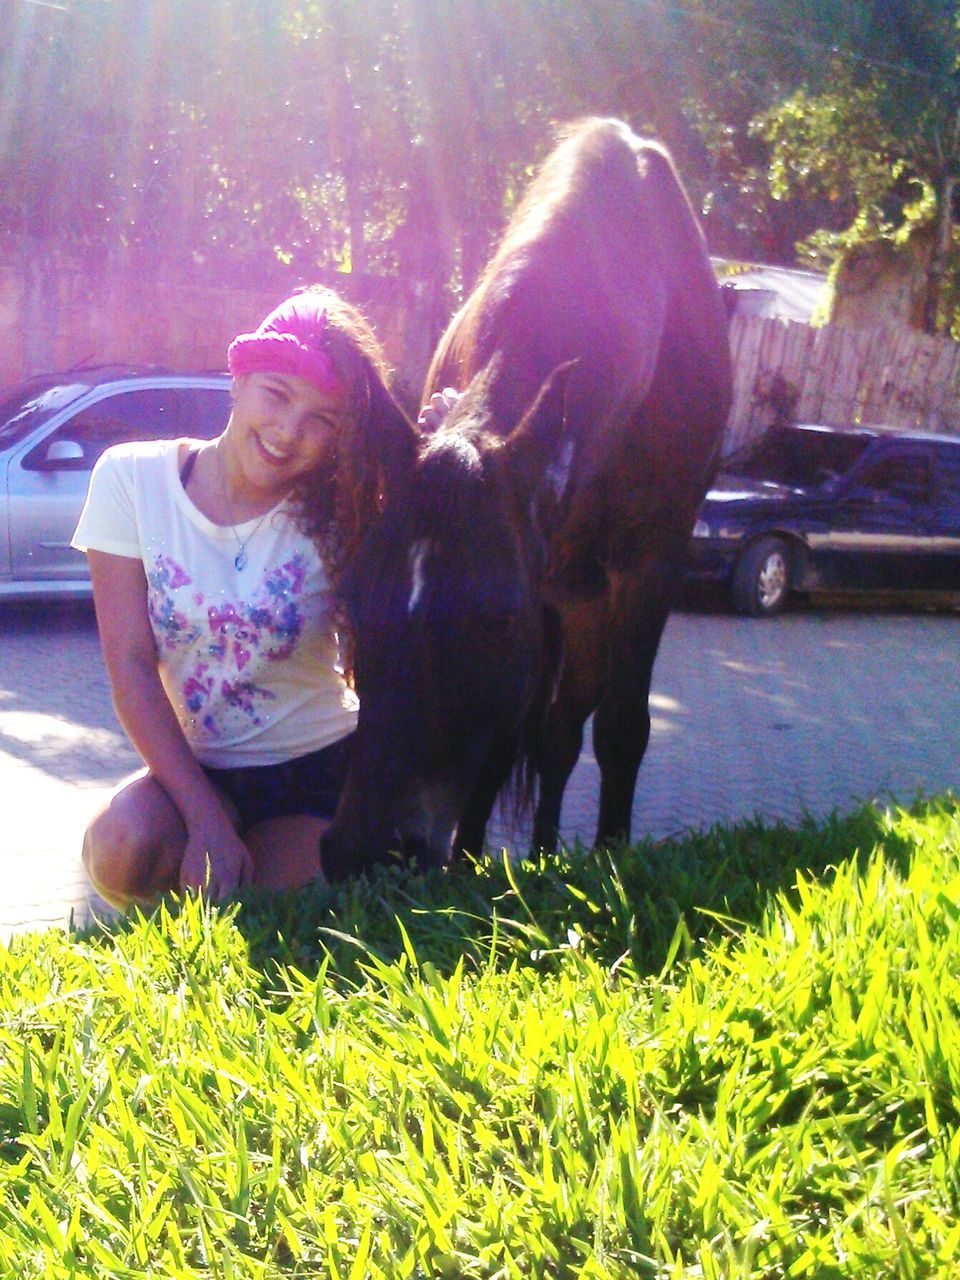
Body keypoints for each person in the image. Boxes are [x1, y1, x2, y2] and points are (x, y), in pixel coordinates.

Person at [74, 286, 417, 908]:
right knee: (122, 848)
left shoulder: (344, 510)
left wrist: (444, 453)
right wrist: (204, 818)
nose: (289, 432)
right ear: (238, 381)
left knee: (257, 909)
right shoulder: (130, 480)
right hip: (197, 769)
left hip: (319, 770)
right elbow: (128, 664)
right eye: (277, 396)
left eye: (322, 420)